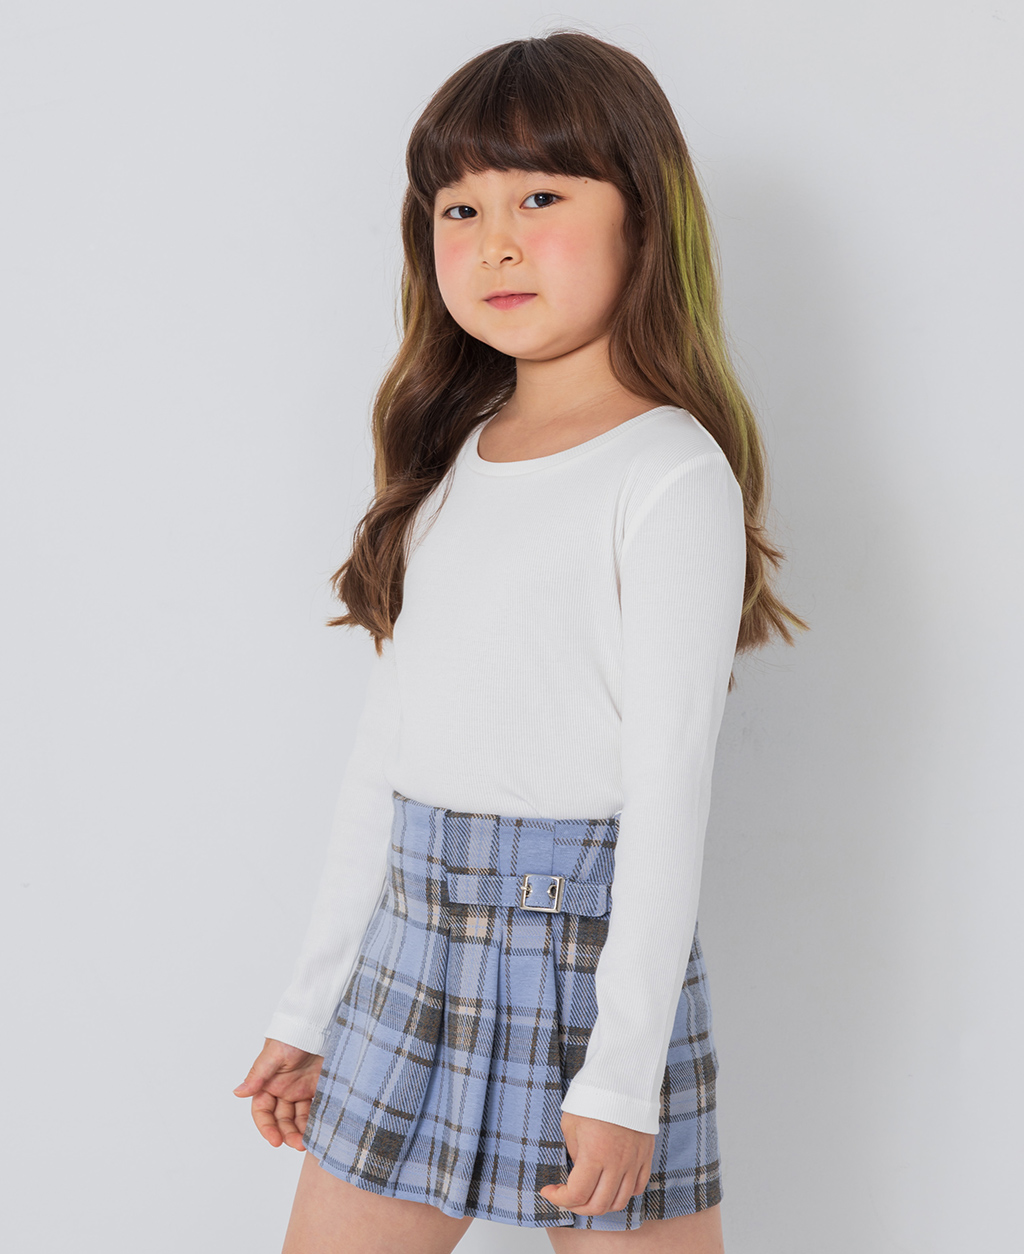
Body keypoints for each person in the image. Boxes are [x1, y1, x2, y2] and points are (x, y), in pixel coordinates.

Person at [233, 30, 807, 1254]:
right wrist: (312, 1007)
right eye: (461, 207)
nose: (495, 240)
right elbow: (383, 761)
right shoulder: (451, 465)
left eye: (540, 198)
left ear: (642, 217)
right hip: (410, 942)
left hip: (584, 955)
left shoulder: (667, 475)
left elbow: (668, 787)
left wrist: (623, 1076)